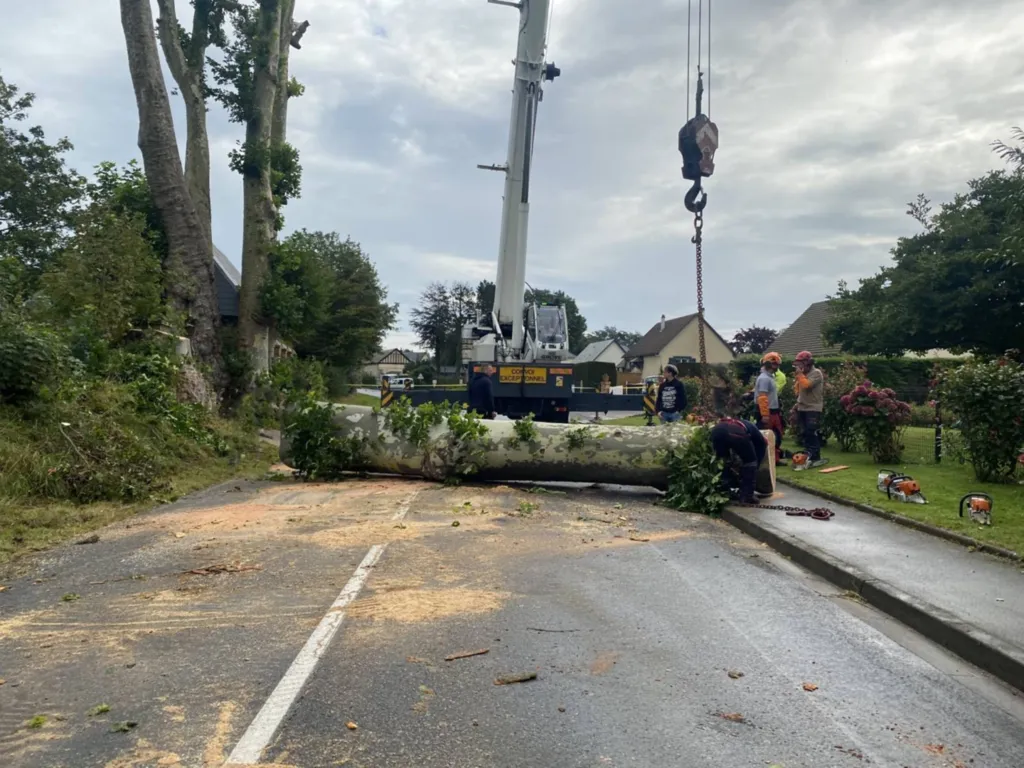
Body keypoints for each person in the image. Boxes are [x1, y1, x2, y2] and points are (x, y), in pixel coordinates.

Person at [710, 417, 768, 504]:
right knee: (751, 462)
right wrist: (755, 468)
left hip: (716, 432)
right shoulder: (760, 439)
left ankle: (724, 490)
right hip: (735, 433)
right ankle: (747, 496)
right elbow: (758, 454)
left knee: (723, 461)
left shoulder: (741, 423)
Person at [793, 350, 828, 469]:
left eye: (800, 363)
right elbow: (800, 391)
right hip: (802, 407)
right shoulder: (803, 374)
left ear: (808, 362)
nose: (799, 366)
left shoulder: (816, 373)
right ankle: (807, 454)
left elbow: (806, 385)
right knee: (804, 433)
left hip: (813, 408)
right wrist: (796, 404)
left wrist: (799, 375)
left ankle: (815, 456)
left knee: (811, 431)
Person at [755, 352, 786, 466]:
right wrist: (765, 414)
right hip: (767, 411)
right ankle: (767, 460)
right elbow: (762, 396)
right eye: (774, 363)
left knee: (776, 435)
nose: (776, 366)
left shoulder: (769, 377)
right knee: (768, 437)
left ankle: (775, 459)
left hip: (774, 410)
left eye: (776, 363)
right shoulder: (764, 378)